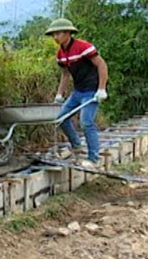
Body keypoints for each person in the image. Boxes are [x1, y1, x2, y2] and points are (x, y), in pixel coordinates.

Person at [45, 18, 109, 168]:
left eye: (58, 33)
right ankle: (76, 145)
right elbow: (65, 74)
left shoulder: (83, 47)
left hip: (92, 90)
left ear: (68, 33)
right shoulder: (60, 53)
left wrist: (101, 88)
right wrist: (59, 94)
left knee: (86, 123)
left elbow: (101, 64)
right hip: (78, 91)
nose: (55, 37)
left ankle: (94, 159)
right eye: (53, 34)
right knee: (61, 118)